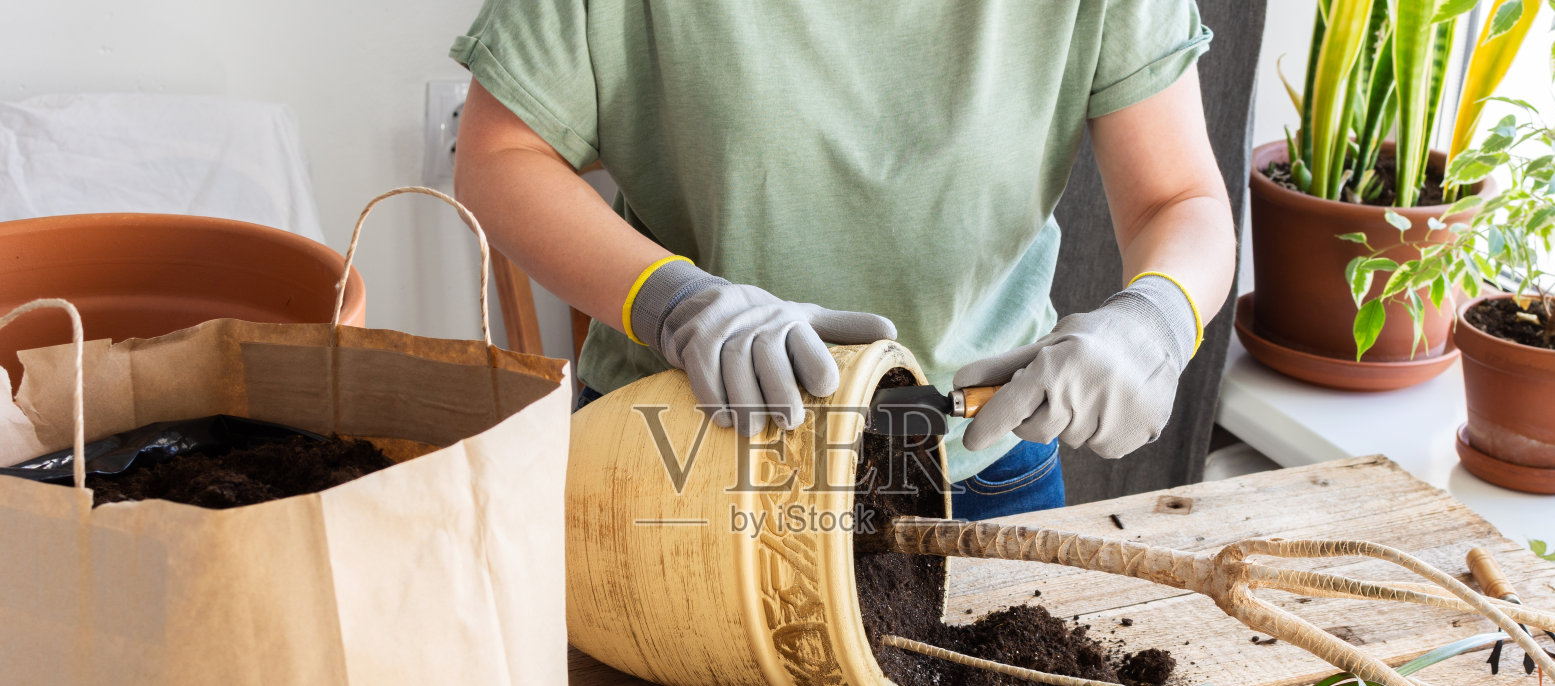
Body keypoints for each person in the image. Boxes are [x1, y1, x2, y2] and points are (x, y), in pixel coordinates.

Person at [450, 2, 1236, 520]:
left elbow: (1177, 201)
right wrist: (676, 303)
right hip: (675, 455)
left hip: (981, 467)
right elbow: (500, 156)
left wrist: (1154, 319)